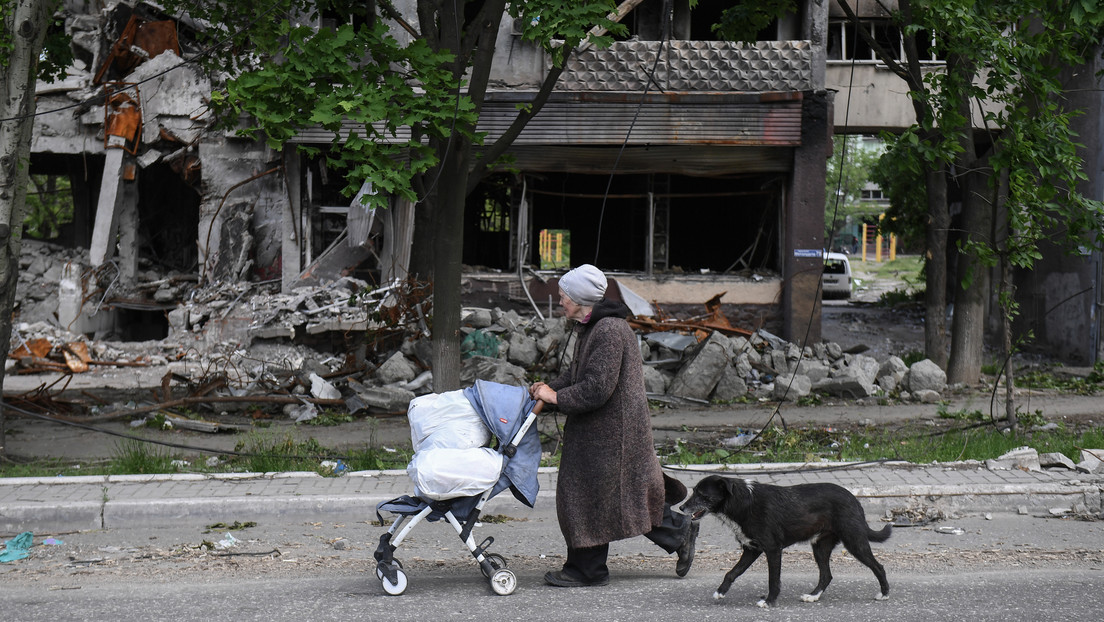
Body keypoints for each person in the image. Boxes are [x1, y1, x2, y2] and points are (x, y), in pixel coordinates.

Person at [529, 264, 698, 587]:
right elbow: (577, 376)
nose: (560, 299)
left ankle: (587, 570)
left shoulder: (608, 331)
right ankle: (680, 532)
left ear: (581, 299)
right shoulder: (591, 327)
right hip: (601, 432)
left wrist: (557, 397)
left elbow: (596, 388)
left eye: (564, 295)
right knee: (620, 496)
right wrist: (547, 390)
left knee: (592, 497)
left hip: (612, 434)